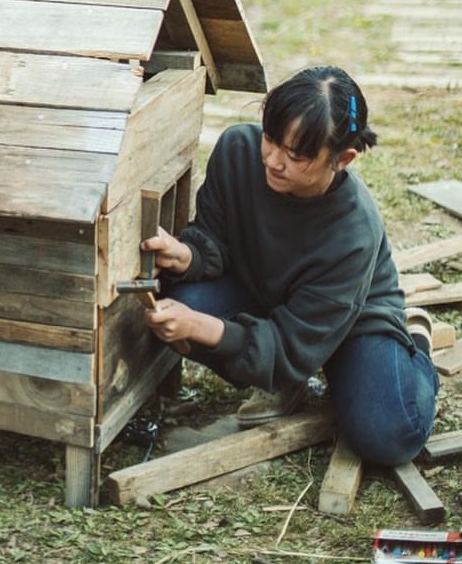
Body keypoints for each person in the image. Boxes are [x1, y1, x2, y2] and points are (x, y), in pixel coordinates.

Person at [141, 64, 439, 466]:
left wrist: (200, 327)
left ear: (343, 159)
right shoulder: (237, 152)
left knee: (387, 436)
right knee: (183, 294)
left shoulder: (353, 232)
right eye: (270, 139)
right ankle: (287, 380)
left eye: (296, 155)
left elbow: (289, 345)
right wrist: (187, 255)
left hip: (351, 322)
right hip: (268, 295)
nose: (274, 161)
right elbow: (214, 237)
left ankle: (414, 346)